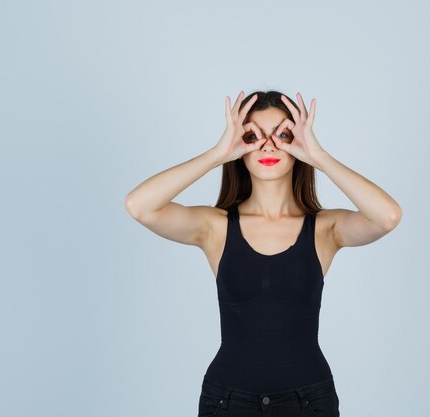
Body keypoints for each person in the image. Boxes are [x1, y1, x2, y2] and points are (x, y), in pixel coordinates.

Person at [124, 90, 402, 417]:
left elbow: (388, 216)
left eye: (283, 135)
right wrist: (217, 154)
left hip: (308, 401)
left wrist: (320, 156)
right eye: (252, 135)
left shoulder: (326, 229)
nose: (268, 145)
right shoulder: (216, 227)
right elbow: (139, 206)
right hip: (228, 401)